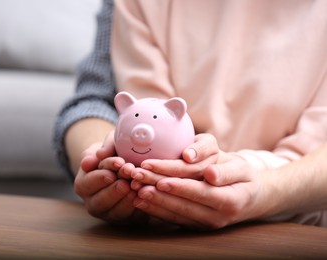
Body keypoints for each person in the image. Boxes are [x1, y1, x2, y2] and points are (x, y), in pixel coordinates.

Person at [54, 0, 327, 228]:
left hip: (299, 227)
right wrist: (98, 162)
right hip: (150, 219)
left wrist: (266, 189)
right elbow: (94, 99)